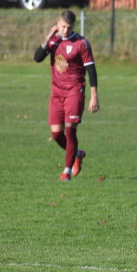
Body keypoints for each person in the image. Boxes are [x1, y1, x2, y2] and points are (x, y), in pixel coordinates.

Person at [33, 10, 98, 180]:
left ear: (73, 26)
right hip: (56, 92)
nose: (65, 30)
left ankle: (66, 171)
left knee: (70, 131)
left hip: (75, 91)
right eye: (62, 26)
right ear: (57, 24)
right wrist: (48, 36)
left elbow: (91, 70)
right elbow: (37, 58)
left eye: (69, 27)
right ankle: (77, 154)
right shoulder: (53, 41)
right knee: (56, 134)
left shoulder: (81, 43)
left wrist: (94, 96)